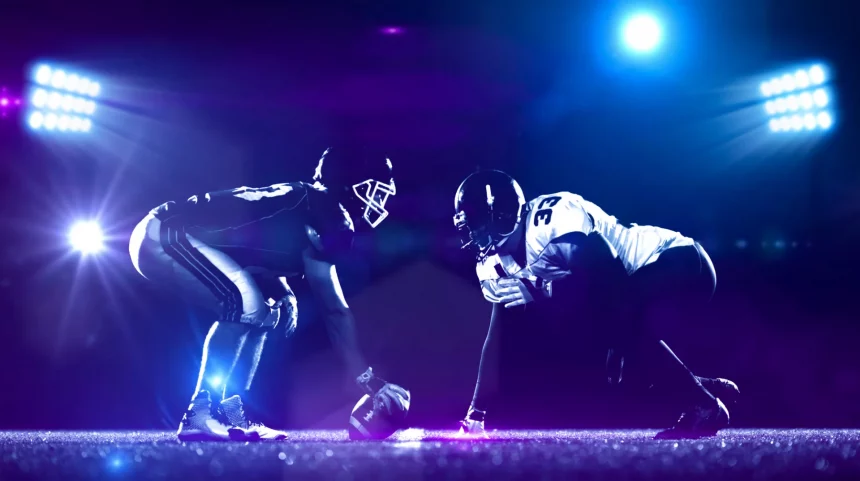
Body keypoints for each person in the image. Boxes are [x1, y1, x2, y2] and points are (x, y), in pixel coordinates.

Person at [128, 147, 410, 441]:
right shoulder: (329, 212)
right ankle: (200, 412)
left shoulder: (311, 202)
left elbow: (254, 241)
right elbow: (334, 309)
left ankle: (231, 414)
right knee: (242, 304)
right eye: (376, 193)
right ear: (351, 185)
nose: (379, 203)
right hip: (167, 231)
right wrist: (363, 376)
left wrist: (282, 289)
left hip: (173, 233)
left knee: (266, 311)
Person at [452, 169, 739, 439]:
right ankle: (697, 388)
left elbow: (607, 275)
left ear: (501, 214)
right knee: (613, 371)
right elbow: (496, 338)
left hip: (679, 262)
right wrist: (477, 411)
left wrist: (542, 288)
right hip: (630, 296)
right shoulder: (494, 265)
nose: (473, 235)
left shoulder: (549, 220)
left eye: (476, 223)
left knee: (610, 325)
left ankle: (704, 405)